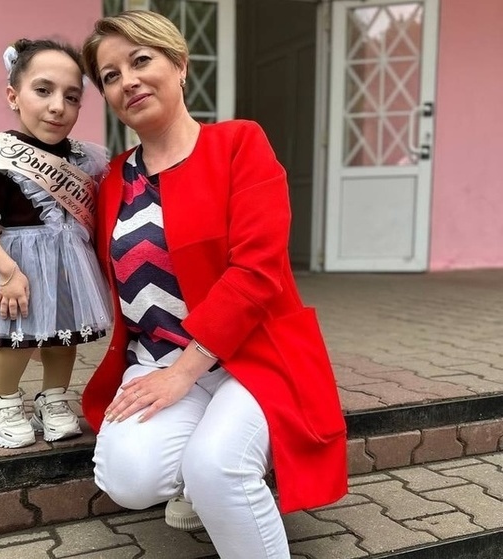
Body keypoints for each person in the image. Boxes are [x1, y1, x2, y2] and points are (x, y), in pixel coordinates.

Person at [78, 10, 348, 558]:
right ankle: (200, 463)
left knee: (216, 467)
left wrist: (185, 374)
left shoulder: (239, 144)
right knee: (128, 478)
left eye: (141, 60)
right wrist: (8, 272)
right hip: (157, 361)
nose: (128, 80)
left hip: (250, 355)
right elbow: (72, 255)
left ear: (180, 65)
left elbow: (256, 271)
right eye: (110, 75)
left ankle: (218, 471)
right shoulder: (112, 181)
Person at [0, 38, 112, 449]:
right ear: (14, 96)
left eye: (72, 97)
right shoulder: (1, 155)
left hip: (68, 264)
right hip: (19, 266)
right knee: (15, 336)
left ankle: (54, 398)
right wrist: (4, 269)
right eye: (43, 90)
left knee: (64, 336)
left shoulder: (83, 159)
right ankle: (4, 402)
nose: (58, 106)